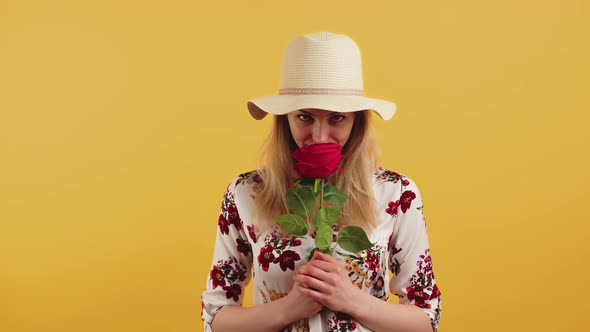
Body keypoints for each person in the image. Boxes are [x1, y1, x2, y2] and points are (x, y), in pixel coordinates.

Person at [201, 32, 442, 332]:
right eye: (304, 117)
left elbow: (425, 319)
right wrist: (288, 308)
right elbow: (216, 318)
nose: (319, 136)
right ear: (284, 118)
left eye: (337, 118)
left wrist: (351, 299)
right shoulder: (246, 193)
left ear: (357, 122)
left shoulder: (397, 193)